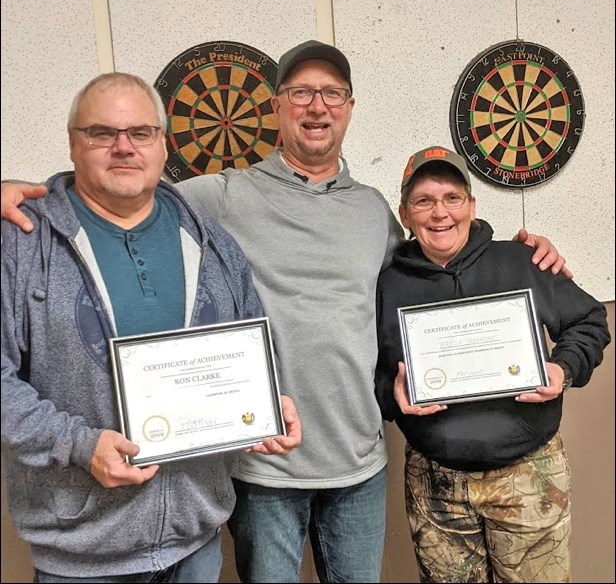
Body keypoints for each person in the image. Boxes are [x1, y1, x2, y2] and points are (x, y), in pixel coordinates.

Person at [1, 42, 569, 583]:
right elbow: (122, 188)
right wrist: (13, 189)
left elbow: (432, 263)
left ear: (349, 109)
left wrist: (521, 253)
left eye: (331, 93)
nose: (316, 105)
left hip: (358, 460)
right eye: (300, 92)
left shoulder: (374, 211)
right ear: (276, 107)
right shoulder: (220, 198)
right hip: (264, 466)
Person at [0, 72, 302, 584]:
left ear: (162, 144)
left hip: (196, 542)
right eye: (102, 133)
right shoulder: (23, 242)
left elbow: (255, 345)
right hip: (81, 553)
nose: (123, 147)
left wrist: (270, 401)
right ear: (74, 142)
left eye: (140, 132)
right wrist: (78, 443)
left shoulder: (213, 244)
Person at [374, 145, 610, 583]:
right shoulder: (387, 285)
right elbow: (370, 372)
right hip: (436, 483)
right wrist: (392, 394)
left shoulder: (523, 261)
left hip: (527, 476)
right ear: (405, 214)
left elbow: (590, 321)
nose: (439, 213)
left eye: (452, 197)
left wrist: (563, 370)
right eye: (423, 201)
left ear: (472, 205)